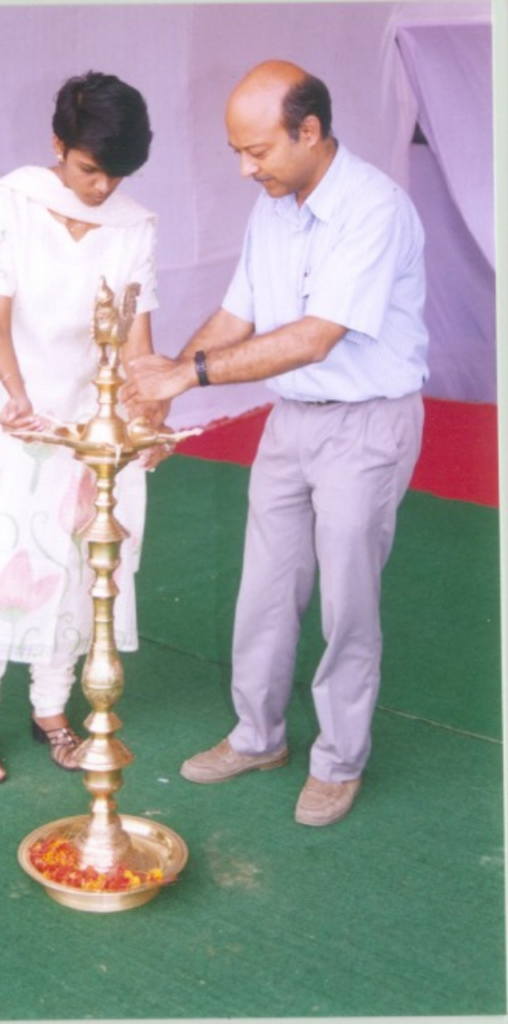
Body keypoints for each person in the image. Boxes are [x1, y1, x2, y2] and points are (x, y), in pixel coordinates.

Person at [122, 60, 429, 826]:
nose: (243, 167)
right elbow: (237, 316)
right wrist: (163, 383)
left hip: (366, 423)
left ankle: (338, 758)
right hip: (289, 425)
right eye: (236, 150)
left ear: (310, 131)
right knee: (264, 588)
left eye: (256, 150)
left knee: (346, 598)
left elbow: (313, 338)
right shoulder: (277, 206)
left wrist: (183, 376)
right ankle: (257, 735)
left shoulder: (373, 208)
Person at [0, 72, 167, 785]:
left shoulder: (135, 224)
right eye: (90, 170)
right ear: (57, 145)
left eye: (116, 175)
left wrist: (148, 415)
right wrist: (18, 400)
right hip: (5, 407)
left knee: (75, 561)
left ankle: (52, 710)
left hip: (87, 416)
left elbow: (138, 340)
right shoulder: (12, 203)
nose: (100, 189)